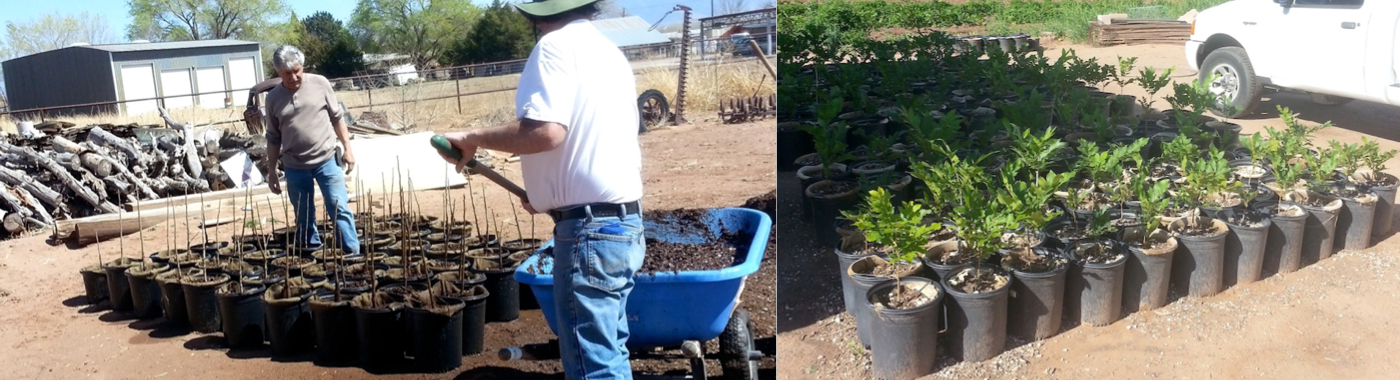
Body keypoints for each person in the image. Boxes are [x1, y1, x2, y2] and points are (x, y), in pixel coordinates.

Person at [437, 0, 644, 378]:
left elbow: (546, 132)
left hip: (590, 234)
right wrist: (548, 193)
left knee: (591, 364)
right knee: (608, 351)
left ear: (537, 14)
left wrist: (472, 137)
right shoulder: (608, 51)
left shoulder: (554, 46)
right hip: (622, 224)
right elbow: (592, 139)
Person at [263, 45, 360, 255]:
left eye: (297, 70)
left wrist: (348, 149)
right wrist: (271, 170)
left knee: (338, 207)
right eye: (287, 73)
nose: (294, 77)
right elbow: (273, 137)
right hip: (294, 166)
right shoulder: (272, 99)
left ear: (302, 66)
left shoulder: (320, 83)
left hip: (326, 160)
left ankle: (352, 254)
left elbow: (337, 117)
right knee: (303, 214)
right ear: (278, 73)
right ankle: (312, 254)